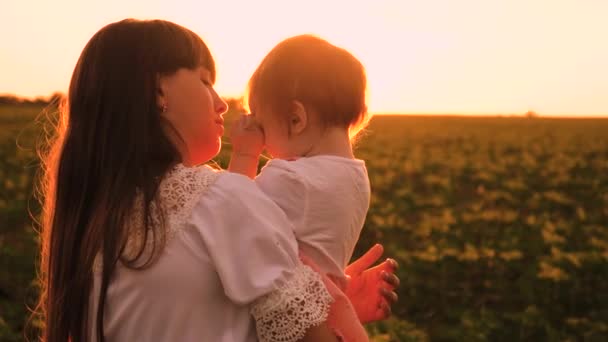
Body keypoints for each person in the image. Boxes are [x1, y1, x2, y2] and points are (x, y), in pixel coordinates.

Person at [36, 19, 399, 342]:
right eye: (205, 80)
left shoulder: (93, 221)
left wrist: (318, 300)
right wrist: (331, 311)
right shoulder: (220, 200)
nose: (221, 103)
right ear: (158, 92)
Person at [229, 35, 377, 341]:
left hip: (280, 317)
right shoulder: (357, 178)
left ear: (296, 119)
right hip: (327, 314)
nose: (264, 142)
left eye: (262, 124)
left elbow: (232, 217)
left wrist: (244, 154)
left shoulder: (292, 179)